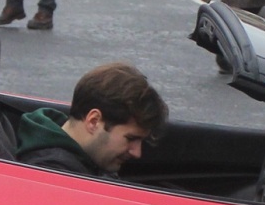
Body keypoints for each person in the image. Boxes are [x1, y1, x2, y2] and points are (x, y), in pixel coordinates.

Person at [14, 63, 168, 176]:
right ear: (94, 121)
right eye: (131, 138)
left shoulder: (84, 160)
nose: (137, 153)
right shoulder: (54, 176)